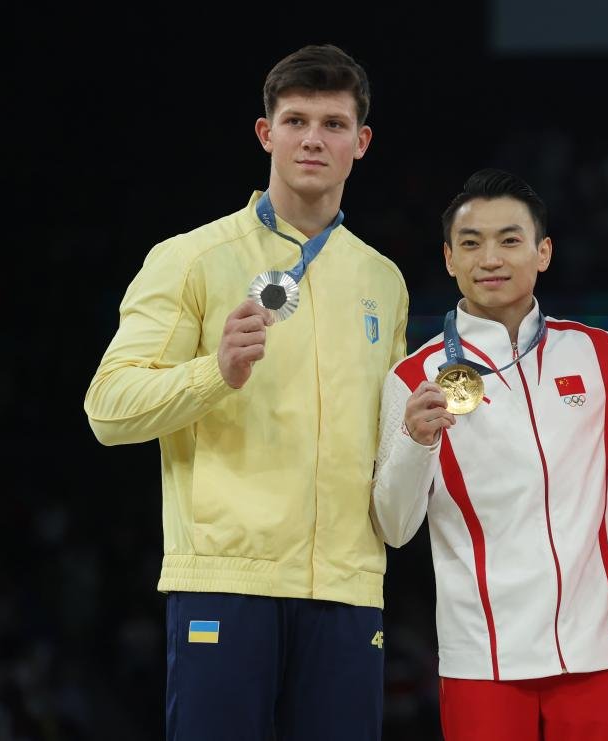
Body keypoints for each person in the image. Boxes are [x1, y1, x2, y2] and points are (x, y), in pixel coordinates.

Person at [83, 44, 407, 740]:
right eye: (294, 121)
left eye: (332, 123)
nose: (312, 139)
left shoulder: (383, 280)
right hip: (228, 581)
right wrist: (214, 373)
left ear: (362, 141)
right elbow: (107, 408)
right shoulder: (192, 258)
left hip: (347, 588)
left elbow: (393, 438)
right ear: (266, 134)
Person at [371, 169, 608, 741]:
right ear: (448, 259)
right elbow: (394, 527)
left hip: (600, 645)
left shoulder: (597, 353)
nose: (489, 257)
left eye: (510, 240)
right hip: (482, 656)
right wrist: (416, 442)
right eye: (471, 243)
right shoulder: (412, 377)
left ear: (543, 252)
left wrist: (595, 554)